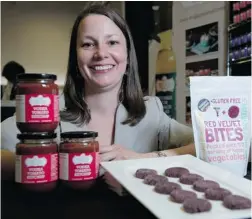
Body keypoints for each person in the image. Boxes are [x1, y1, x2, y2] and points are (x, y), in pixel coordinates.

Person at [1, 5, 195, 188]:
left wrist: (144, 159)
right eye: (88, 44)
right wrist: (48, 164)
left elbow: (208, 147)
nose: (101, 53)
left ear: (128, 56)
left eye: (112, 42)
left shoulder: (151, 112)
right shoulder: (43, 112)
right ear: (75, 59)